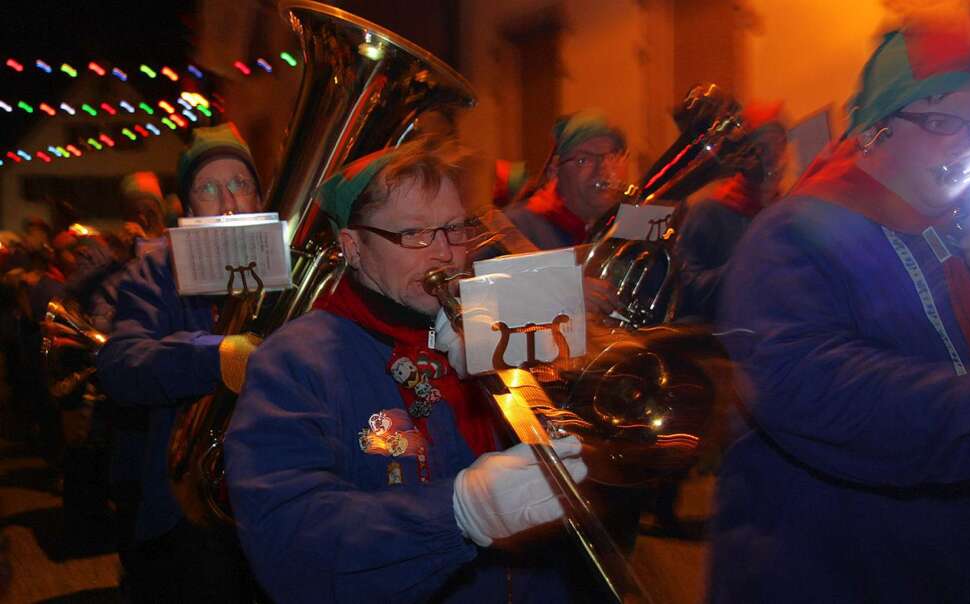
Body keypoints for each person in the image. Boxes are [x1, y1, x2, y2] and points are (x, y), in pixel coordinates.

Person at [710, 10, 970, 603]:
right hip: (831, 576)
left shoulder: (964, 225)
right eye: (943, 121)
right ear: (877, 130)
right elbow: (809, 385)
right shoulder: (794, 231)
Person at [225, 138, 591, 602]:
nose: (444, 254)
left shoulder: (488, 327)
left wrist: (540, 381)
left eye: (455, 229)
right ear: (353, 247)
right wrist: (458, 512)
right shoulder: (293, 362)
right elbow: (288, 540)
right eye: (415, 234)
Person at [96, 123, 264, 602]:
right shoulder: (156, 268)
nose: (229, 200)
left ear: (258, 195)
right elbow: (121, 364)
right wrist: (217, 354)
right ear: (189, 209)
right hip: (186, 507)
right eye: (208, 189)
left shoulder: (290, 265)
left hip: (270, 496)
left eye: (240, 183)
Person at [674, 102, 787, 321]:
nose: (772, 157)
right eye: (761, 147)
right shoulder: (709, 212)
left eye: (778, 145)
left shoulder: (786, 213)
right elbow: (683, 290)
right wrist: (743, 268)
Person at [504, 111, 627, 249]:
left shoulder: (629, 225)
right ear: (555, 170)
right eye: (584, 160)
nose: (603, 168)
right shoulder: (517, 228)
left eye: (611, 158)